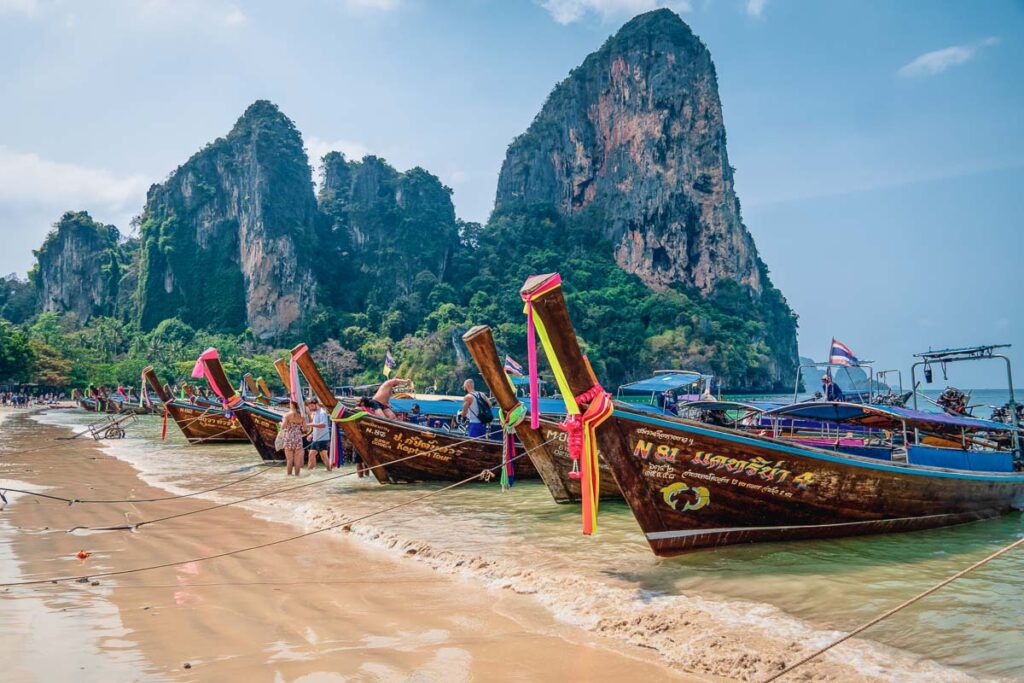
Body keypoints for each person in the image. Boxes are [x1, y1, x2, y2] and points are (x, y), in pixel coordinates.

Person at [280, 400, 307, 476]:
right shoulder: (302, 415)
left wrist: (280, 423)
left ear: (291, 405)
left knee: (289, 460)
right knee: (297, 460)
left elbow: (283, 427)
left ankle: (289, 476)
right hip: (298, 437)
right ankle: (297, 476)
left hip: (289, 436)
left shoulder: (287, 415)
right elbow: (305, 428)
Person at [305, 398, 332, 471]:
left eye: (311, 406)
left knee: (323, 457)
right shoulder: (316, 413)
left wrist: (309, 424)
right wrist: (312, 435)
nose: (310, 408)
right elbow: (316, 426)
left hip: (323, 439)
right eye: (309, 407)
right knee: (312, 455)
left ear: (316, 404)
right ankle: (311, 471)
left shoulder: (322, 413)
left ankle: (329, 471)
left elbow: (323, 425)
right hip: (316, 438)